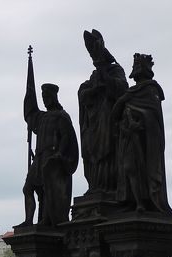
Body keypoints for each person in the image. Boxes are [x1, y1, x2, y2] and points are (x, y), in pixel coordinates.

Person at [112, 53, 172, 216]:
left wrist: (139, 123)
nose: (135, 70)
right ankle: (133, 201)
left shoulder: (151, 89)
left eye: (137, 67)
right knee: (129, 169)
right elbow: (115, 114)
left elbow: (153, 116)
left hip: (145, 140)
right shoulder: (130, 93)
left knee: (141, 169)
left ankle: (144, 202)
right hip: (129, 138)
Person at [19, 82, 79, 227]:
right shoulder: (41, 117)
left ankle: (46, 219)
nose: (45, 100)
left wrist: (59, 154)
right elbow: (30, 113)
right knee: (28, 188)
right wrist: (30, 95)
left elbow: (66, 137)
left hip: (51, 157)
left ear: (53, 97)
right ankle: (28, 220)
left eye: (46, 97)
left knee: (48, 190)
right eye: (43, 97)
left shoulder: (62, 116)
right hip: (39, 157)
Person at [78, 29, 128, 195]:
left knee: (108, 151)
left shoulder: (115, 71)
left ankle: (109, 187)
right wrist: (93, 90)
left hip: (108, 119)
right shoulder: (93, 77)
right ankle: (96, 186)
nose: (95, 62)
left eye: (97, 58)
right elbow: (83, 92)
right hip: (94, 122)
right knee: (93, 152)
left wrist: (104, 78)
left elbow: (121, 88)